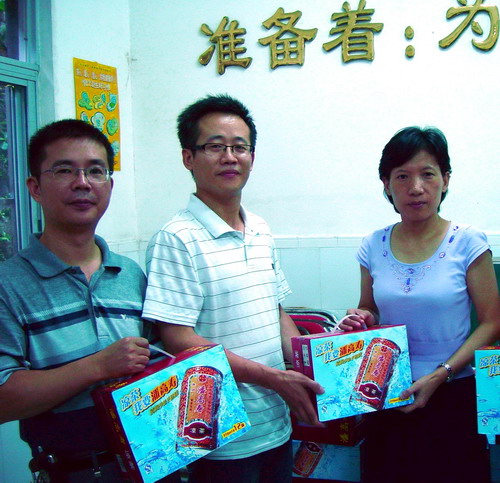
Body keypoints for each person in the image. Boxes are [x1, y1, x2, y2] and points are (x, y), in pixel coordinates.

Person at [142, 94, 324, 483]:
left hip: (277, 424)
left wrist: (312, 362)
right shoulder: (175, 238)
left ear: (251, 158)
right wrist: (273, 378)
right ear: (188, 157)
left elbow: (275, 310)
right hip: (221, 436)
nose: (230, 157)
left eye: (239, 147)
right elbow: (177, 338)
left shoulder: (260, 228)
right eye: (215, 146)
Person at [0, 119, 172, 482]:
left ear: (109, 185)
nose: (82, 183)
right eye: (64, 170)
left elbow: (159, 368)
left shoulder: (130, 274)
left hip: (155, 462)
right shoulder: (8, 285)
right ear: (34, 187)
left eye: (95, 171)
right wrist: (98, 367)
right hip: (72, 471)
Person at [341, 126, 500, 483]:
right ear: (386, 184)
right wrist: (360, 318)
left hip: (453, 391)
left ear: (445, 180)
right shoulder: (373, 245)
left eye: (427, 174)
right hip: (387, 392)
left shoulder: (468, 242)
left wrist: (442, 373)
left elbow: (492, 322)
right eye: (402, 176)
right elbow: (370, 309)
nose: (416, 188)